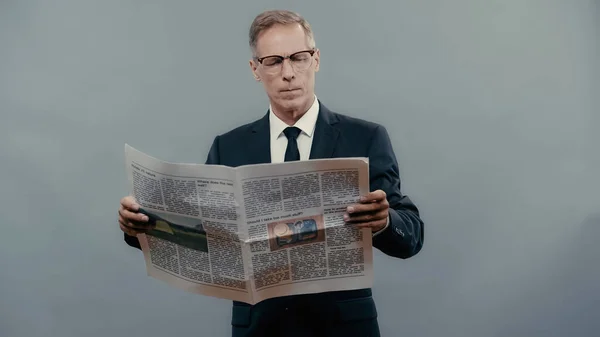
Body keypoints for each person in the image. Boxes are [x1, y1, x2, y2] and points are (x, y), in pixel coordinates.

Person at [118, 9, 424, 337]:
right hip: (260, 328)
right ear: (255, 69)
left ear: (316, 60)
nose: (288, 73)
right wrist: (142, 227)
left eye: (299, 57)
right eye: (274, 61)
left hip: (343, 327)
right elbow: (203, 237)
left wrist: (385, 222)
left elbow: (411, 236)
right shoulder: (229, 148)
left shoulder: (365, 138)